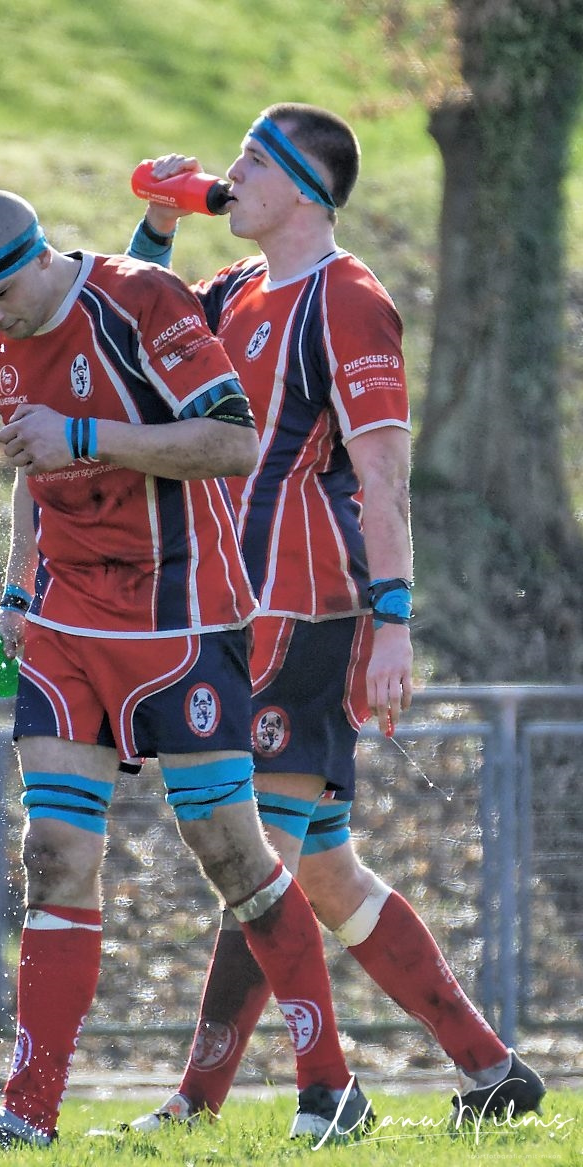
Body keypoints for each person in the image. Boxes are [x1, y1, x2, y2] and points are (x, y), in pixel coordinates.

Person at [0, 187, 372, 1154]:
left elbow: (234, 441)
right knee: (52, 855)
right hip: (65, 623)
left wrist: (86, 437)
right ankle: (28, 1115)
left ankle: (330, 1086)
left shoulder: (141, 299)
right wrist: (16, 596)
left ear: (40, 258)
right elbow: (34, 465)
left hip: (181, 615)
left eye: (2, 297)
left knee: (234, 856)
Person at [115, 102, 546, 1132]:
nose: (229, 175)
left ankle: (227, 1099)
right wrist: (158, 228)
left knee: (253, 858)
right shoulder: (236, 288)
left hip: (310, 612)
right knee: (320, 871)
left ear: (300, 187)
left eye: (247, 162)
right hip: (239, 610)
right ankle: (493, 1073)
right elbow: (139, 344)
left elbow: (385, 476)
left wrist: (393, 622)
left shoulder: (347, 301)